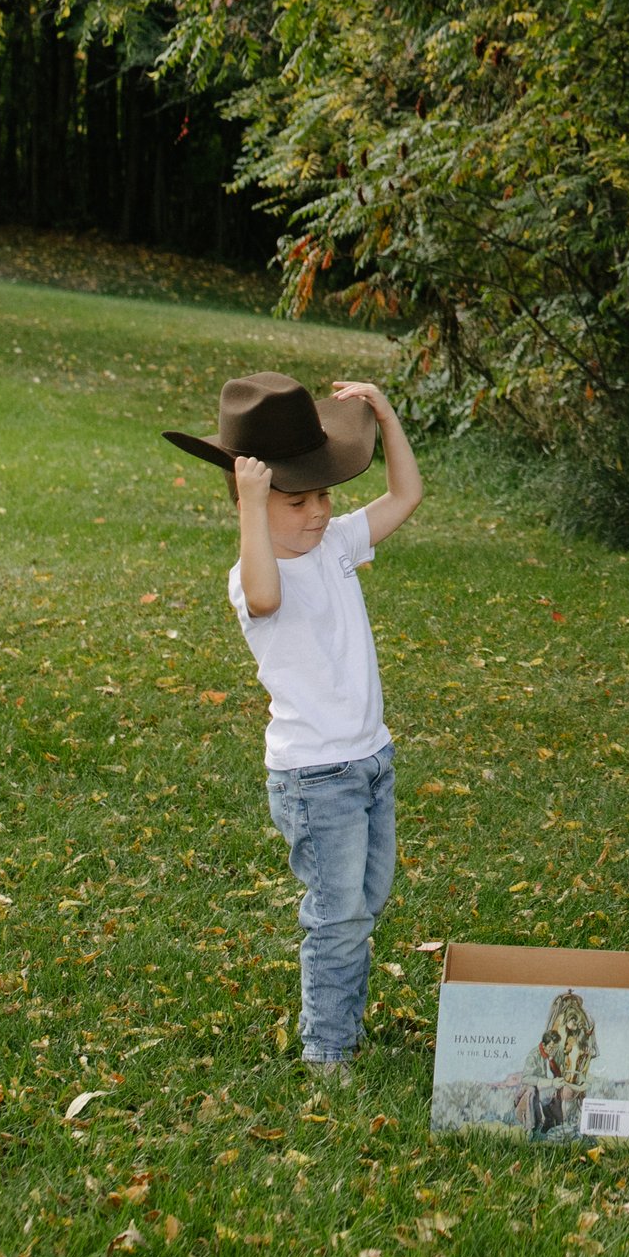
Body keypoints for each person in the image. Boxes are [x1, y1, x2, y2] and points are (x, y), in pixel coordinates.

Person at [163, 368, 424, 1077]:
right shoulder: (254, 573)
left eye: (325, 494)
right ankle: (327, 1048)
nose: (317, 511)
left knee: (365, 904)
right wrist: (252, 505)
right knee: (338, 916)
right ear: (252, 501)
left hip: (371, 760)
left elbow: (407, 495)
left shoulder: (338, 542)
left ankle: (341, 1019)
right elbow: (266, 596)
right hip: (317, 777)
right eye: (297, 498)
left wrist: (385, 413)